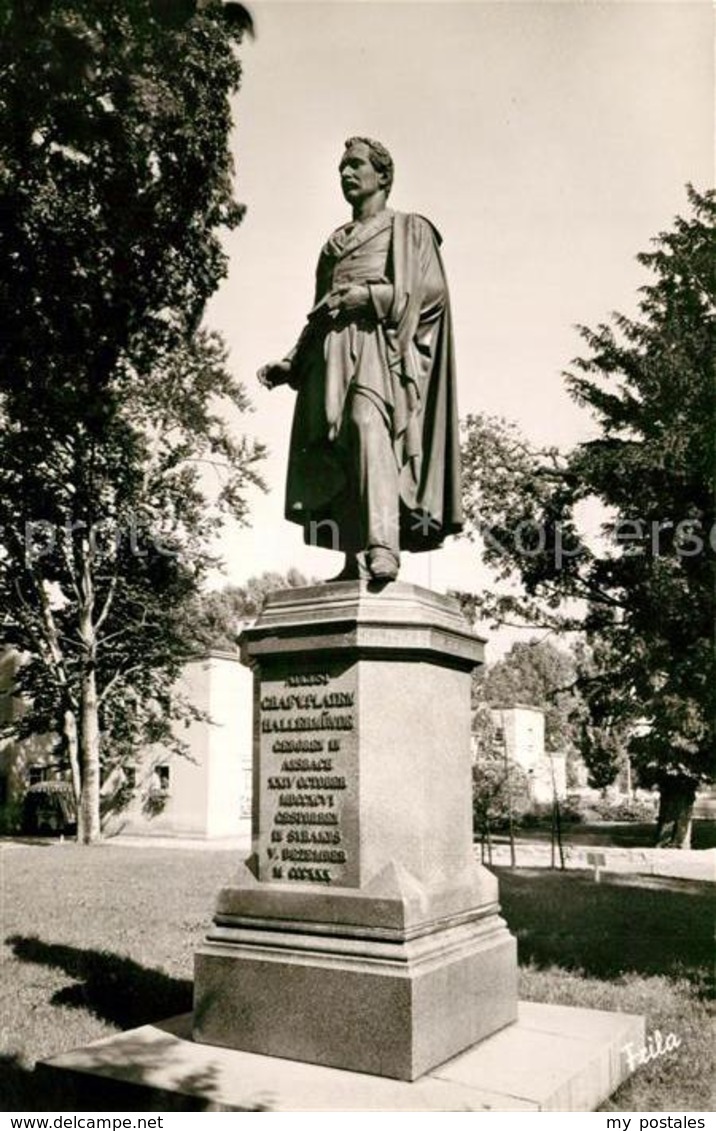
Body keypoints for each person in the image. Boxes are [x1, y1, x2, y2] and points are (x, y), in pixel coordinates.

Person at [258, 137, 462, 583]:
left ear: (383, 176)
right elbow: (319, 310)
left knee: (368, 426)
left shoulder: (409, 230)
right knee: (337, 448)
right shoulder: (333, 243)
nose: (346, 175)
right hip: (330, 354)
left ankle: (383, 546)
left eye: (355, 166)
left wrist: (368, 297)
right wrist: (293, 362)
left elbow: (432, 293)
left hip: (380, 348)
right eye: (341, 169)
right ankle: (352, 559)